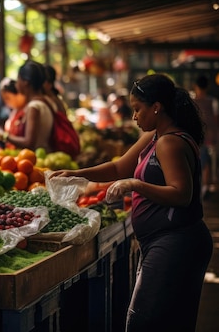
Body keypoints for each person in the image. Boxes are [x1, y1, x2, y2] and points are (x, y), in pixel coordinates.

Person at [49, 73, 212, 332]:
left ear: (156, 108)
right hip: (165, 241)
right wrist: (78, 173)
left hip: (176, 241)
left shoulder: (169, 143)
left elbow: (182, 195)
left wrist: (135, 185)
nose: (133, 116)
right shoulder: (157, 135)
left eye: (137, 109)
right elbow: (119, 167)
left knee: (143, 322)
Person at [0, 60, 54, 151]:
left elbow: (29, 142)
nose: (16, 84)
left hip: (34, 159)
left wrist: (2, 135)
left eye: (18, 80)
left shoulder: (33, 107)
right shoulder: (47, 100)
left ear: (25, 82)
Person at [193, 74, 218, 198]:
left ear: (196, 86)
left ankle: (201, 187)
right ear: (207, 87)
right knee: (207, 163)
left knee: (200, 161)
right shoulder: (213, 102)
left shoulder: (192, 102)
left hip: (196, 138)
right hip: (210, 139)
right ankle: (205, 187)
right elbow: (216, 121)